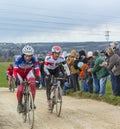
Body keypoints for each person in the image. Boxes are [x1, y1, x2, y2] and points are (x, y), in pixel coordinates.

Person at [13, 45, 40, 113]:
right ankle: (19, 104)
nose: (28, 58)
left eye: (30, 56)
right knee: (21, 88)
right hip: (19, 73)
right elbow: (15, 70)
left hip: (28, 72)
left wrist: (38, 77)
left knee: (33, 84)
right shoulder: (18, 58)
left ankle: (32, 102)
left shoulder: (34, 58)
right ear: (23, 55)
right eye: (26, 56)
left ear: (32, 55)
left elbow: (37, 68)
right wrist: (16, 78)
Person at [44, 45, 70, 110]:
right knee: (48, 86)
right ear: (53, 53)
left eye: (58, 53)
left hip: (56, 70)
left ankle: (59, 90)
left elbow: (66, 66)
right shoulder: (48, 58)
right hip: (48, 70)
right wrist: (48, 74)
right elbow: (44, 68)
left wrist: (68, 74)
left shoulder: (61, 58)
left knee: (61, 77)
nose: (57, 55)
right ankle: (49, 101)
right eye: (55, 53)